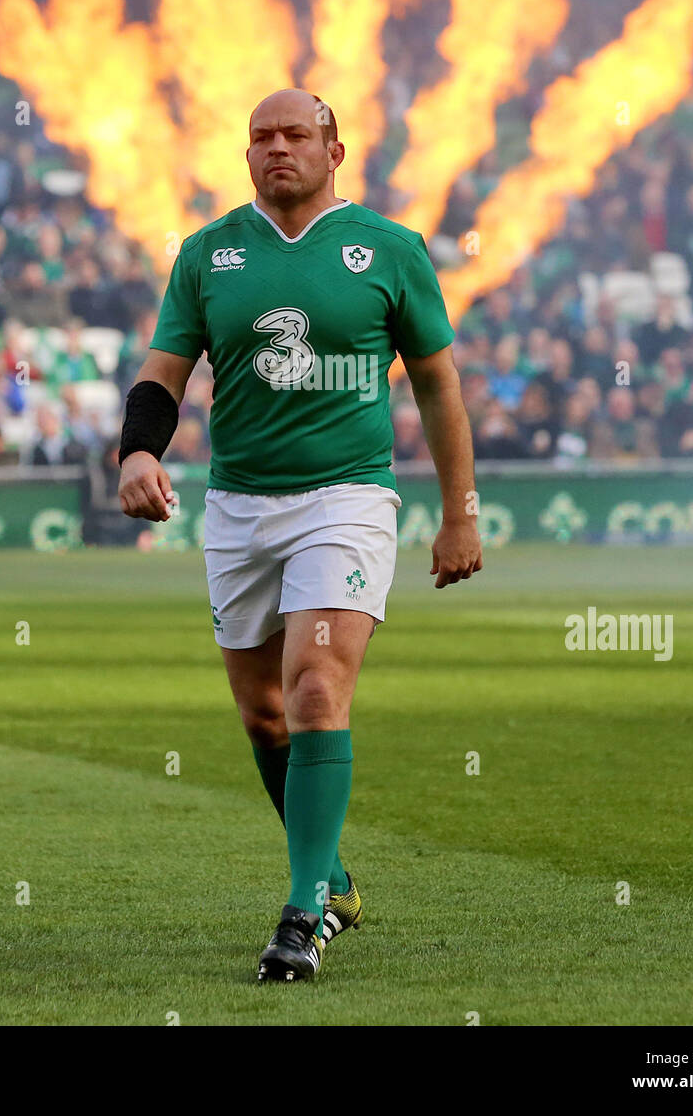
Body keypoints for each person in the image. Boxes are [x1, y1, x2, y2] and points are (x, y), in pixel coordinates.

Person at [118, 89, 482, 983]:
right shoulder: (209, 254)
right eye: (260, 137)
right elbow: (165, 370)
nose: (276, 148)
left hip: (346, 499)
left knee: (316, 689)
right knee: (264, 715)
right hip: (238, 506)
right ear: (245, 155)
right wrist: (135, 452)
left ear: (334, 150)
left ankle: (300, 913)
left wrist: (458, 512)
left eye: (294, 135)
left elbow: (437, 386)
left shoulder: (390, 250)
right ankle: (334, 875)